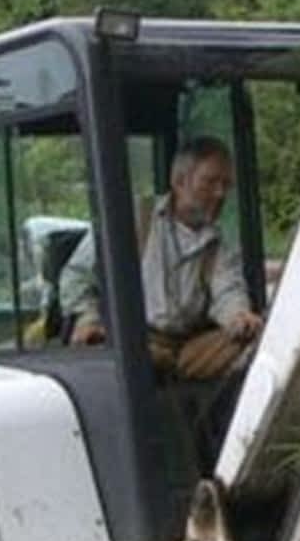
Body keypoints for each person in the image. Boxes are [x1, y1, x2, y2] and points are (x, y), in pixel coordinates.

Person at [58, 136, 263, 380]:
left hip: (185, 350)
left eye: (226, 185)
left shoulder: (219, 246)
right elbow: (77, 274)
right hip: (128, 341)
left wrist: (239, 317)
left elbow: (228, 292)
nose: (220, 194)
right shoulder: (131, 217)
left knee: (262, 337)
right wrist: (87, 319)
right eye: (210, 182)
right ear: (179, 182)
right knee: (114, 349)